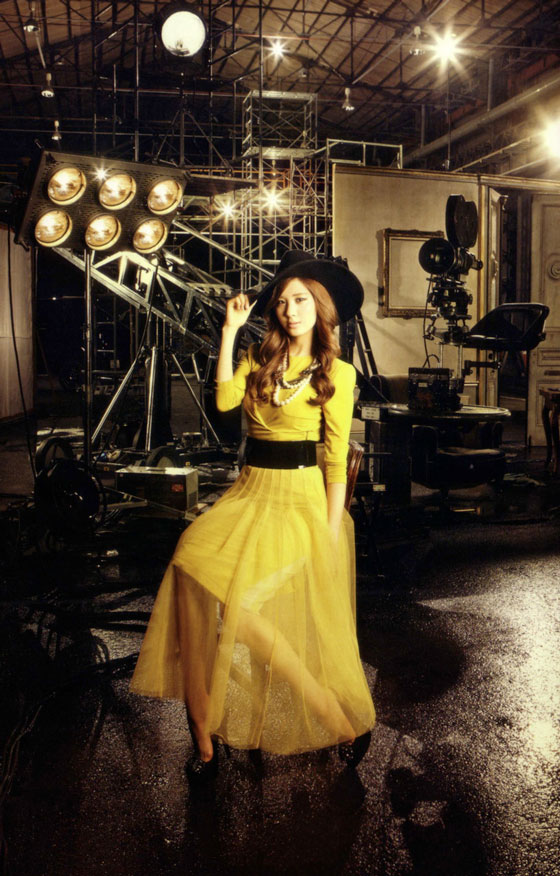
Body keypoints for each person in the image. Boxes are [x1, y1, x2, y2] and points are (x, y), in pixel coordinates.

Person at [130, 249, 376, 778]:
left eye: (301, 300)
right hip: (249, 493)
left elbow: (336, 461)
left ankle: (334, 717)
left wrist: (329, 532)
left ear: (320, 307)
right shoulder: (257, 358)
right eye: (283, 301)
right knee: (188, 564)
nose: (291, 310)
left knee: (241, 612)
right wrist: (229, 332)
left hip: (300, 501)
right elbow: (222, 403)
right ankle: (203, 735)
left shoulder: (338, 373)